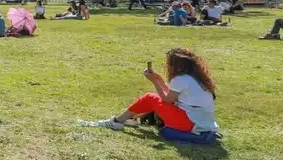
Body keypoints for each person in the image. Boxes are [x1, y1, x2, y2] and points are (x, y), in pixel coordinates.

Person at [85, 48, 220, 138]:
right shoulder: (196, 77)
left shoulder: (180, 78)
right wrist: (158, 78)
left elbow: (168, 100)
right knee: (152, 98)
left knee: (150, 97)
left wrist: (153, 81)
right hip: (201, 122)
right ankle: (127, 119)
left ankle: (117, 121)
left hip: (190, 123)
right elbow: (173, 96)